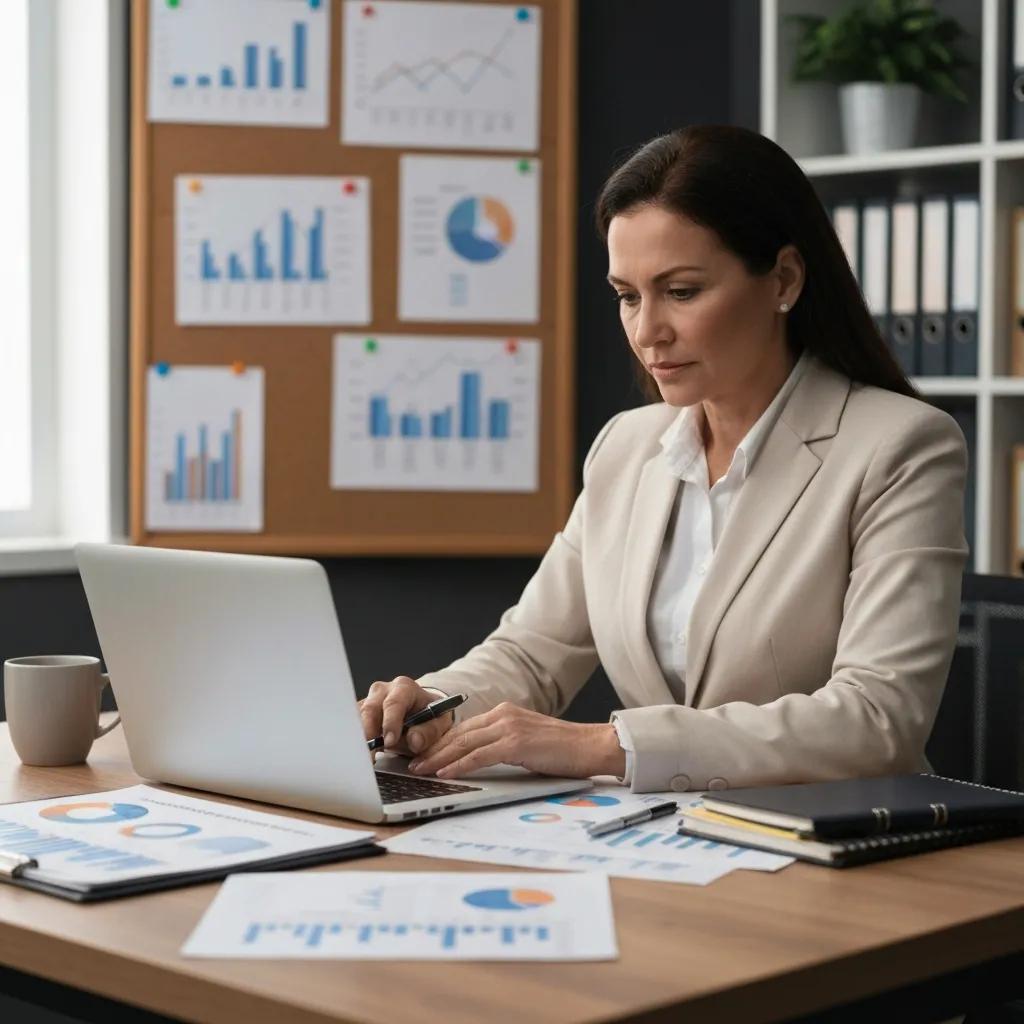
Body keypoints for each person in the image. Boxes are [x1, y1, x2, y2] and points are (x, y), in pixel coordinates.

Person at [359, 125, 968, 793]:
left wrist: (609, 744)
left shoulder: (901, 446)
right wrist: (434, 707)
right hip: (668, 841)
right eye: (628, 295)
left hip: (840, 846)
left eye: (681, 291)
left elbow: (880, 719)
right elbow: (533, 654)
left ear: (784, 279)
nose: (648, 331)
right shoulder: (627, 445)